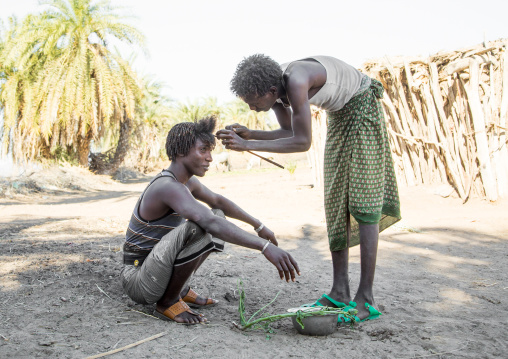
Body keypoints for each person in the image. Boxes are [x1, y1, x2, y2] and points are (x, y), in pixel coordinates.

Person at [216, 54, 401, 322]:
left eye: (255, 103)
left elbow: (302, 142)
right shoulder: (276, 89)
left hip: (362, 109)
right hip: (340, 115)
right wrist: (251, 135)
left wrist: (247, 146)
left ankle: (366, 299)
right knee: (336, 200)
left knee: (363, 200)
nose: (254, 109)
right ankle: (339, 292)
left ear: (270, 91)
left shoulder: (295, 80)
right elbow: (290, 131)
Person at [121, 116, 300, 324]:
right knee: (200, 226)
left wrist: (258, 225)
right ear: (181, 152)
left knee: (216, 215)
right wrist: (264, 247)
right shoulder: (168, 186)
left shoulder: (187, 182)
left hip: (155, 271)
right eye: (203, 150)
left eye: (210, 151)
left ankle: (180, 289)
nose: (209, 158)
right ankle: (168, 301)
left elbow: (218, 202)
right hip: (138, 280)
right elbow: (209, 222)